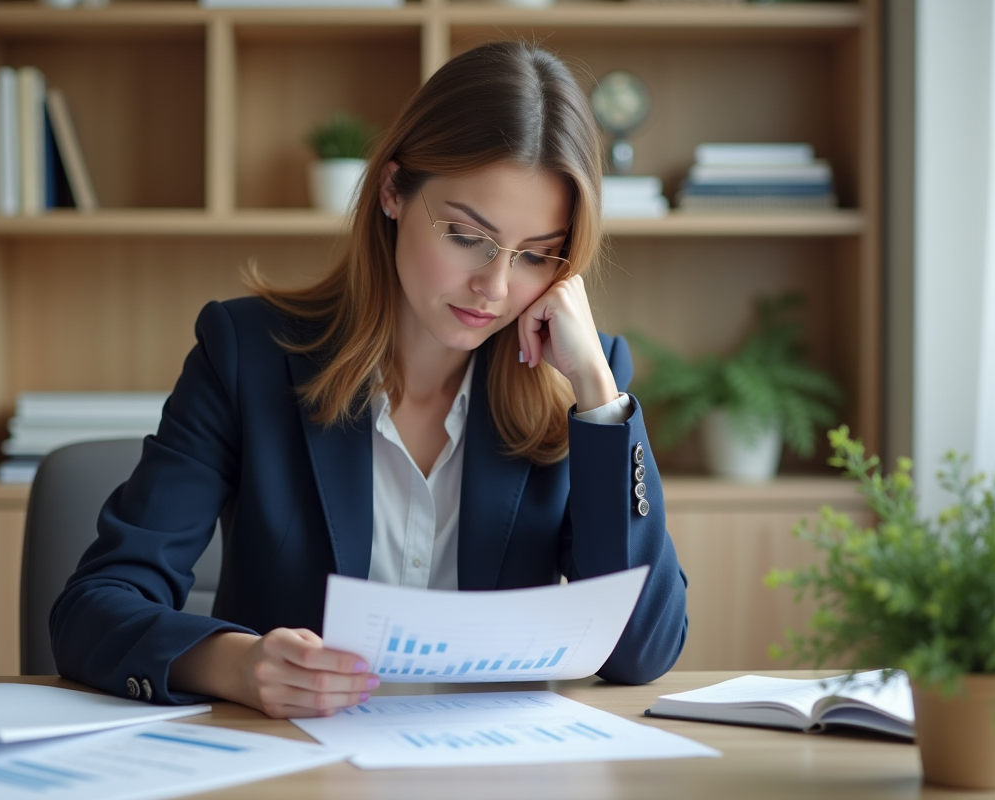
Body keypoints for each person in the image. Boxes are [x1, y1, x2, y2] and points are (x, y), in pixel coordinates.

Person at [51, 40, 688, 719]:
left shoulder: (582, 383)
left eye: (535, 256)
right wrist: (236, 664)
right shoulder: (246, 354)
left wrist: (595, 390)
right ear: (392, 190)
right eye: (467, 236)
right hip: (295, 770)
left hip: (497, 773)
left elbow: (640, 652)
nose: (495, 287)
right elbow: (93, 610)